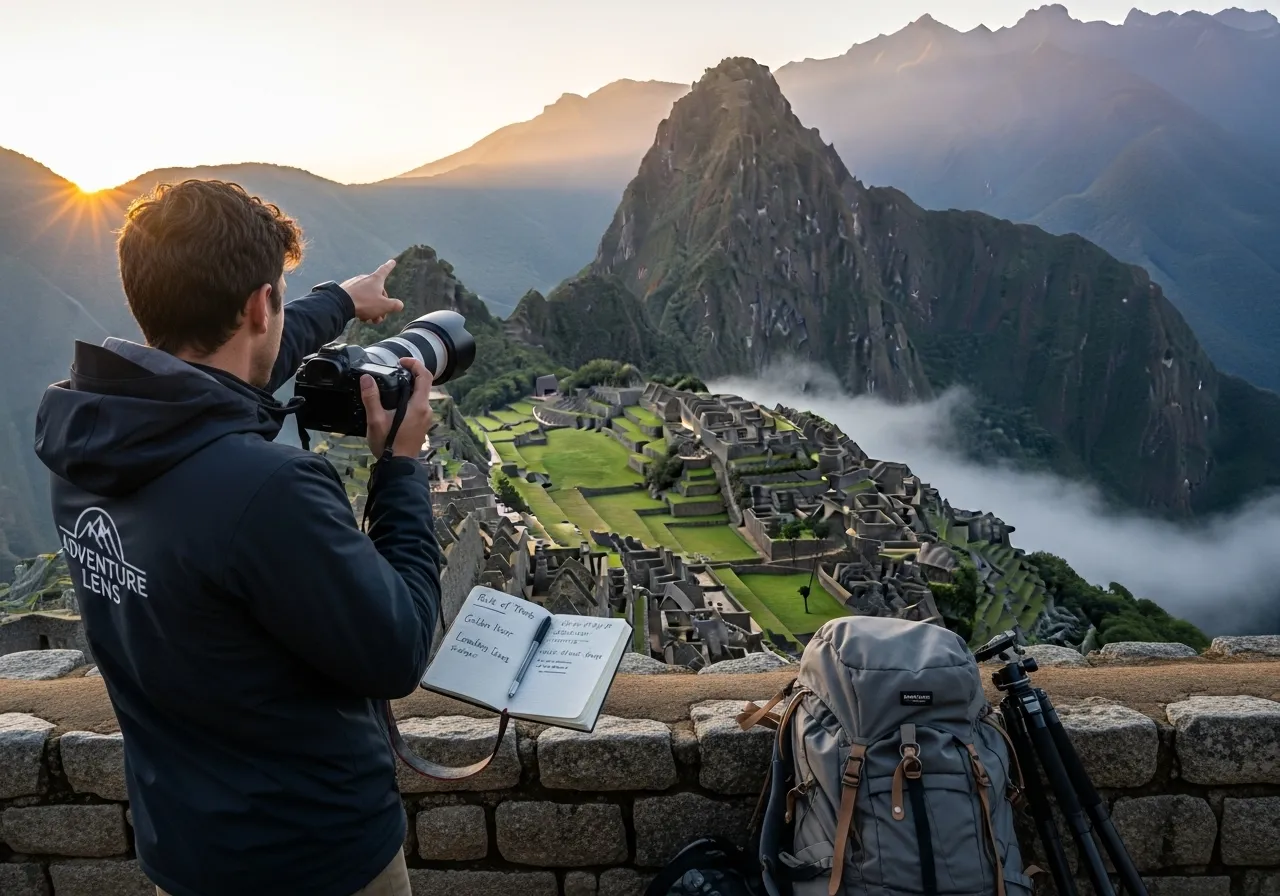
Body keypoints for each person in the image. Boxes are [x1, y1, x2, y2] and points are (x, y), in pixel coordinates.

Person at [34, 180, 439, 896]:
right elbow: (398, 649)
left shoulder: (87, 445)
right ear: (259, 305)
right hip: (315, 858)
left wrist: (338, 303)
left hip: (184, 850)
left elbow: (224, 378)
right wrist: (401, 470)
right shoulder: (269, 491)